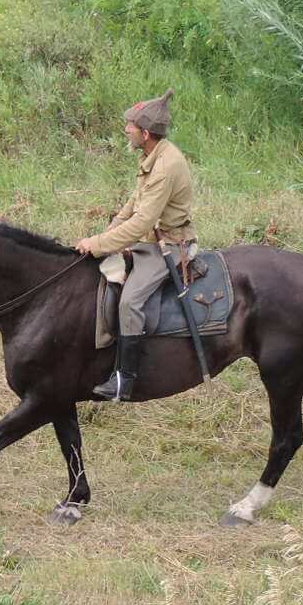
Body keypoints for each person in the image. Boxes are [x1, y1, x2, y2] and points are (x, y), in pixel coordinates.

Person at [74, 89, 196, 402]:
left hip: (168, 246)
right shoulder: (151, 156)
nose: (126, 129)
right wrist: (107, 233)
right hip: (149, 241)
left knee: (130, 301)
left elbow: (142, 223)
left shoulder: (166, 166)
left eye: (131, 126)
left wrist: (99, 244)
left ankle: (124, 380)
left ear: (146, 133)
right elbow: (133, 204)